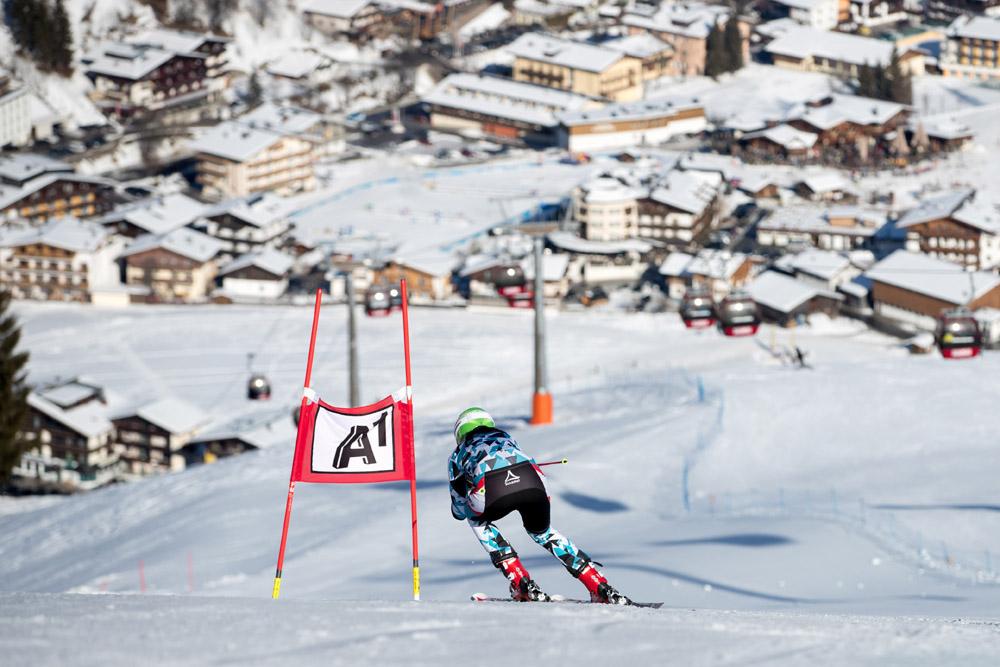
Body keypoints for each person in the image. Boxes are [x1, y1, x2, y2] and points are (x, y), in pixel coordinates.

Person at [448, 407, 631, 604]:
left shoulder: (458, 453)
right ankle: (598, 585)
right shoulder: (505, 436)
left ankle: (521, 582)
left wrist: (462, 504)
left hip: (492, 485)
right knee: (542, 532)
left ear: (460, 431)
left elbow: (459, 506)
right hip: (532, 477)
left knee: (476, 520)